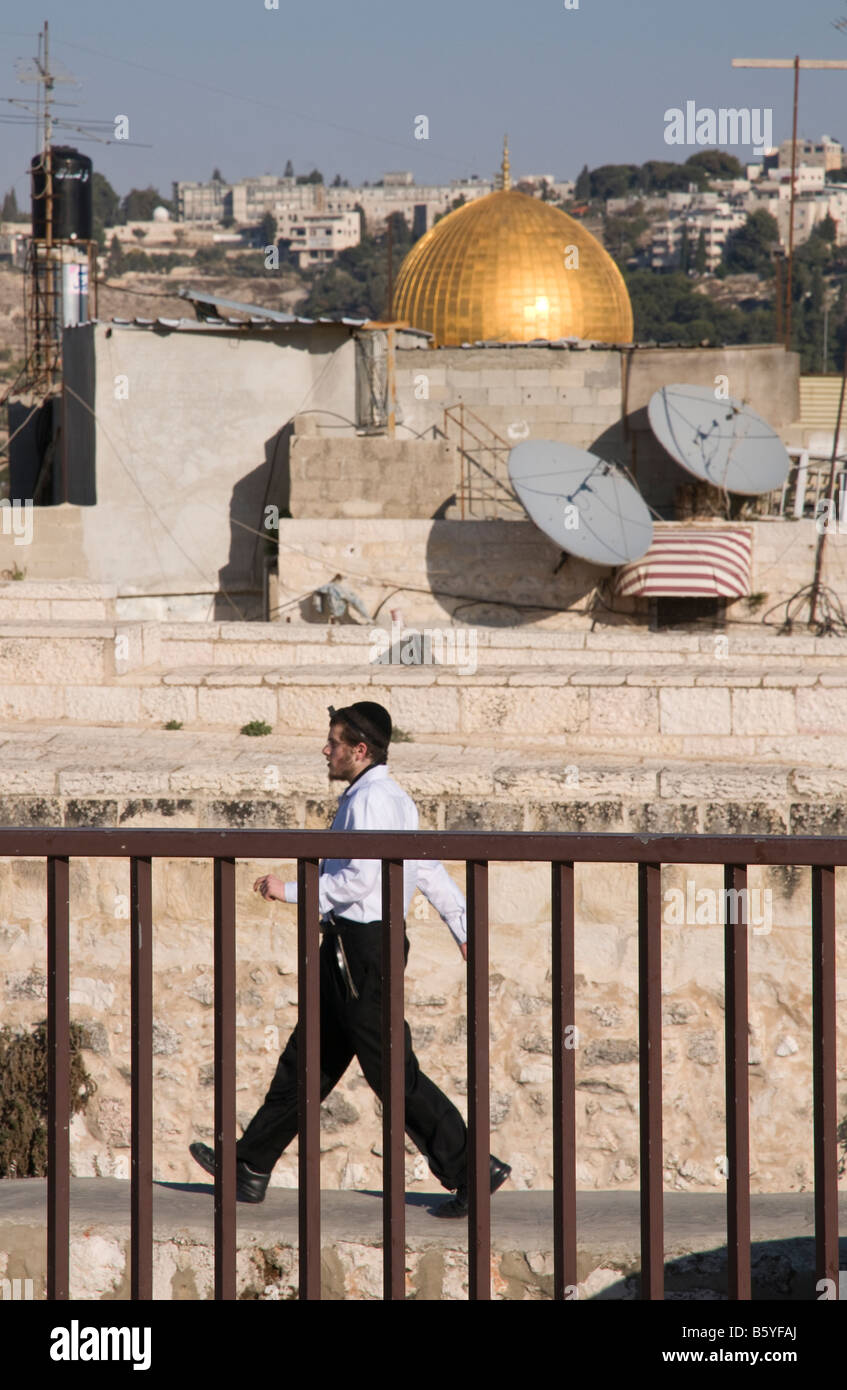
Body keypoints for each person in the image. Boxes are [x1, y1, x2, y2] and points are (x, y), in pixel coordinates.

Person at [189, 699, 510, 1218]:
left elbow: (362, 877)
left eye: (334, 742)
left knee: (390, 1072)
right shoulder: (385, 797)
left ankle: (473, 1169)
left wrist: (288, 889)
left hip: (361, 952)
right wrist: (462, 927)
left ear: (360, 749)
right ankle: (249, 1165)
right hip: (353, 949)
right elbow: (425, 870)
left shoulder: (373, 802)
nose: (326, 749)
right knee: (307, 1060)